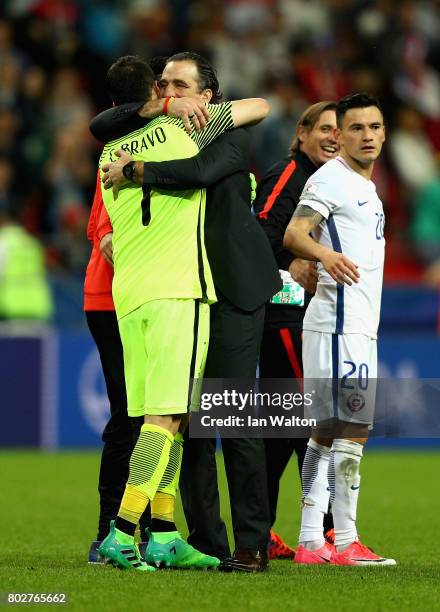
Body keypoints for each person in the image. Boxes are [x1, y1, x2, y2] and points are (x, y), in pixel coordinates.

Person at [97, 51, 282, 573]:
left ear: (207, 96)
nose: (171, 93)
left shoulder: (219, 132)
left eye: (181, 86)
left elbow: (202, 171)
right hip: (183, 289)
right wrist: (154, 115)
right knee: (182, 420)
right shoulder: (162, 125)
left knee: (233, 417)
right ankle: (180, 534)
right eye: (163, 86)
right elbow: (105, 121)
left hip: (231, 287)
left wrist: (135, 169)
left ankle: (250, 543)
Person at [84, 69, 219, 564]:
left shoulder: (106, 156)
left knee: (163, 417)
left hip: (130, 298)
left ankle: (162, 532)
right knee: (164, 417)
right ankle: (121, 531)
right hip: (176, 292)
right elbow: (260, 107)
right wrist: (183, 109)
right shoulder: (186, 131)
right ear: (158, 95)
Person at [284, 92, 396, 566]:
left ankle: (312, 540)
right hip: (337, 322)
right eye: (356, 128)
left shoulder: (366, 187)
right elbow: (294, 233)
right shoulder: (331, 179)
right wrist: (325, 257)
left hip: (357, 325)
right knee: (350, 428)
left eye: (374, 127)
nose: (366, 135)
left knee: (328, 432)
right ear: (340, 135)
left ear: (384, 133)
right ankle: (345, 540)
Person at [253, 101, 338, 559]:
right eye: (323, 128)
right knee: (305, 422)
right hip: (284, 315)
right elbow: (260, 230)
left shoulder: (328, 181)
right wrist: (292, 259)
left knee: (283, 429)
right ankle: (325, 530)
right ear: (301, 132)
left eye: (337, 130)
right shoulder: (289, 173)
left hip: (304, 317)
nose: (331, 136)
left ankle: (259, 529)